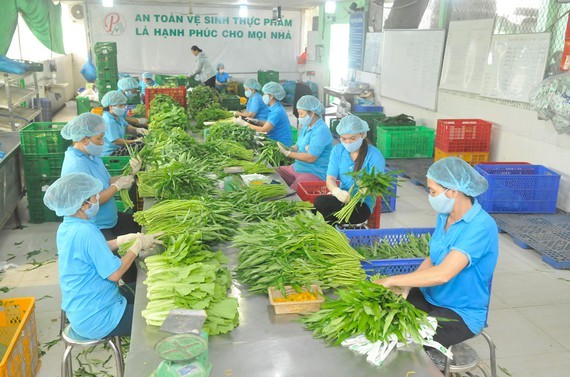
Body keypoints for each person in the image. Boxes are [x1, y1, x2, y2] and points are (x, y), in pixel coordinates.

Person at [374, 157, 498, 349]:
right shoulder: (445, 216)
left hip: (460, 313)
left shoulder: (480, 226)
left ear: (453, 192)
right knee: (382, 317)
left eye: (433, 191)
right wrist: (408, 285)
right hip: (430, 297)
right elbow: (433, 259)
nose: (430, 196)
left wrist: (393, 280)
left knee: (404, 341)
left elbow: (443, 274)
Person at [43, 173, 162, 339]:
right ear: (83, 204)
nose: (97, 200)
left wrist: (121, 240)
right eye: (94, 197)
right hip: (99, 318)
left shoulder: (67, 227)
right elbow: (115, 274)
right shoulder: (87, 231)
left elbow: (93, 250)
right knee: (161, 318)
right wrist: (136, 247)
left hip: (83, 310)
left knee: (145, 288)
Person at [60, 113, 144, 283]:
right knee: (125, 268)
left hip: (110, 217)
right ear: (84, 139)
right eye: (99, 139)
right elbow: (92, 200)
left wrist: (127, 176)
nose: (103, 143)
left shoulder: (91, 155)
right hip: (97, 224)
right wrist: (116, 187)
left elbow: (104, 181)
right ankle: (132, 293)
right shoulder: (75, 165)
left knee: (139, 227)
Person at [314, 114, 385, 224]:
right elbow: (330, 178)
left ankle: (332, 223)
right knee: (319, 203)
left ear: (362, 134)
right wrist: (336, 191)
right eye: (344, 139)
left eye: (352, 138)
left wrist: (369, 189)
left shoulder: (374, 155)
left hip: (361, 205)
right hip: (342, 198)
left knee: (323, 208)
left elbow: (379, 186)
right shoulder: (337, 150)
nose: (348, 142)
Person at [275, 95, 333, 190]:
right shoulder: (306, 126)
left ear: (312, 113)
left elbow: (311, 158)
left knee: (292, 193)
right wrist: (289, 148)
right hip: (297, 168)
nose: (299, 117)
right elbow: (298, 146)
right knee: (273, 174)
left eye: (301, 114)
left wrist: (289, 154)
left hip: (313, 172)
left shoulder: (321, 130)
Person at [235, 81, 293, 146]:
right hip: (273, 138)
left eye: (264, 94)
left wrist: (244, 124)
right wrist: (257, 121)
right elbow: (269, 123)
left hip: (281, 143)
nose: (263, 96)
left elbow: (263, 130)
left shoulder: (277, 111)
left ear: (271, 96)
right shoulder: (273, 107)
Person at [100, 90, 147, 157]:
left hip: (118, 147)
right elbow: (116, 141)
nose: (123, 108)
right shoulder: (108, 121)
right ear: (111, 107)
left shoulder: (117, 116)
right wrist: (134, 141)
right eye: (121, 105)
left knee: (140, 137)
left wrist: (138, 130)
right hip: (111, 152)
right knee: (139, 145)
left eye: (124, 105)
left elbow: (126, 127)